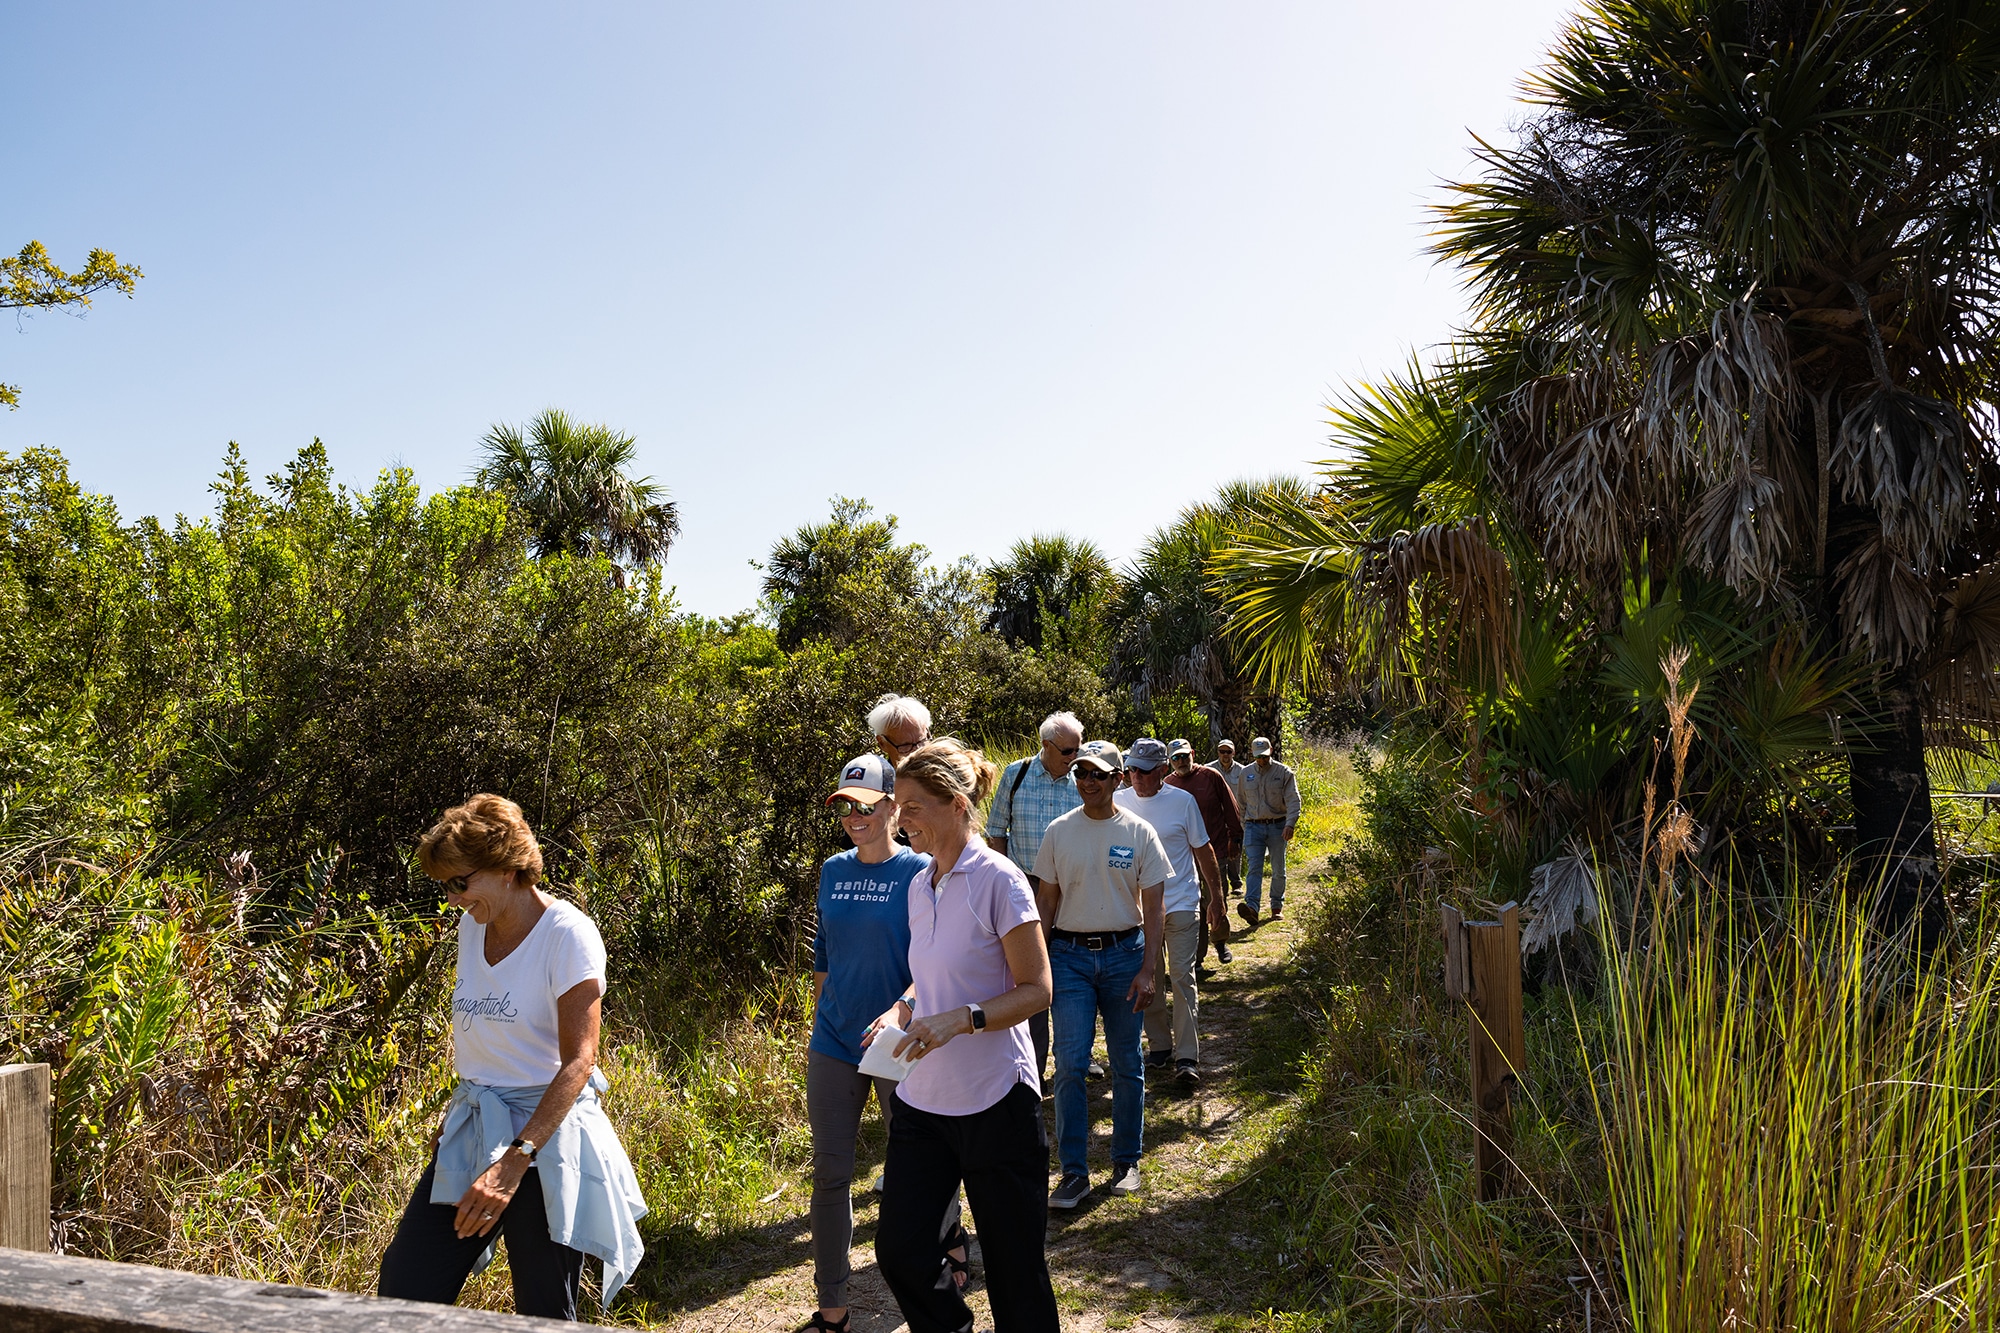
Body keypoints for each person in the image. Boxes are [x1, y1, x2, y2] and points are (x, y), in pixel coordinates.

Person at [378, 794, 646, 1321]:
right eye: (444, 886)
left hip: (545, 1139)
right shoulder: (472, 925)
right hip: (477, 1125)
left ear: (506, 868)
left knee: (544, 1310)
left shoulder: (567, 934)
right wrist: (453, 1121)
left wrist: (516, 1160)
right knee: (406, 1287)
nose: (453, 898)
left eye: (461, 882)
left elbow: (580, 1061)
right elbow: (486, 1044)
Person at [868, 739, 1059, 1333]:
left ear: (955, 804)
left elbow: (1036, 989)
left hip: (997, 1100)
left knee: (1014, 1270)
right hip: (924, 1103)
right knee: (899, 1251)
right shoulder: (918, 886)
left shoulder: (1000, 881)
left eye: (913, 807)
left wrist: (963, 1019)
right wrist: (901, 1008)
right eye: (897, 806)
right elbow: (932, 979)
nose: (900, 820)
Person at [801, 754, 965, 1333]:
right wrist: (825, 1013)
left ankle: (947, 1250)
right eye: (846, 806)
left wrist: (906, 1005)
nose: (855, 817)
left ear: (895, 806)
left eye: (867, 806)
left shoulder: (921, 873)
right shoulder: (833, 871)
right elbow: (825, 952)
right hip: (835, 1044)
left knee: (920, 1161)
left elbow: (937, 960)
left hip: (900, 1042)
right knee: (830, 1174)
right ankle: (833, 1306)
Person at [1032, 740, 1170, 1209]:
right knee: (1069, 1065)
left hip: (1124, 957)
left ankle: (1127, 1160)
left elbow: (1154, 907)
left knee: (1127, 1061)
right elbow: (1045, 902)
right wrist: (1036, 962)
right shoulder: (1058, 832)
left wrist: (1149, 968)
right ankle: (1074, 1173)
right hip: (1068, 957)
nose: (1088, 782)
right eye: (1082, 773)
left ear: (1118, 779)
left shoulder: (1139, 832)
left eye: (1098, 774)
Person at [984, 710, 1084, 1086]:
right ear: (1046, 746)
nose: (1074, 757)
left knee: (1071, 974)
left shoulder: (1083, 779)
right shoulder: (1017, 774)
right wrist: (1003, 885)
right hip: (1024, 888)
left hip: (1073, 890)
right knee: (1029, 978)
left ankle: (1077, 1057)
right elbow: (996, 832)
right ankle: (1033, 1073)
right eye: (1067, 750)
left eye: (1077, 749)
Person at [1118, 739, 1222, 1090]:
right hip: (1139, 909)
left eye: (1145, 771)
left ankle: (1187, 1056)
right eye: (1132, 769)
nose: (1137, 777)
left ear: (1162, 771)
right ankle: (1160, 1045)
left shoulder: (1182, 802)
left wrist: (1216, 898)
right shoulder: (1117, 802)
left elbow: (1202, 849)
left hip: (1180, 902)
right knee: (1149, 978)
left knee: (1181, 975)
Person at [1165, 738, 1242, 969]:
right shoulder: (1167, 784)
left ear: (1193, 754)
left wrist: (1235, 838)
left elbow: (1231, 808)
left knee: (1216, 897)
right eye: (1176, 757)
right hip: (1183, 857)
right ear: (1169, 761)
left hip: (1214, 850)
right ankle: (1197, 957)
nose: (1181, 761)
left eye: (1184, 755)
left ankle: (1220, 942)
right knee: (1192, 905)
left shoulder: (1211, 776)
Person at [1235, 737, 1303, 926]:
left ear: (1271, 751)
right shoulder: (1245, 773)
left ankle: (1276, 907)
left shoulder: (1283, 772)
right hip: (1253, 826)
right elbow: (1241, 802)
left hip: (1278, 826)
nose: (1261, 760)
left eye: (1264, 756)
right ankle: (1252, 908)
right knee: (1254, 868)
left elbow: (1293, 800)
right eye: (1258, 757)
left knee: (1278, 868)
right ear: (1252, 754)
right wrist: (1244, 826)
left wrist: (1290, 824)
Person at [1207, 739, 1250, 899]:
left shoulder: (1242, 771)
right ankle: (1220, 883)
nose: (1225, 755)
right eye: (1222, 751)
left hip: (1235, 815)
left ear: (1234, 753)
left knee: (1235, 850)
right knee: (1218, 851)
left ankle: (1236, 883)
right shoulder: (1208, 769)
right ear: (1218, 752)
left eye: (1228, 752)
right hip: (1215, 816)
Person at [869, 692, 933, 764]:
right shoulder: (876, 774)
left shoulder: (945, 770)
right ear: (882, 743)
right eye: (906, 746)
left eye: (922, 741)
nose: (917, 752)